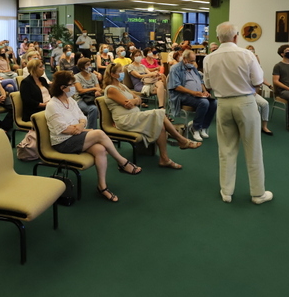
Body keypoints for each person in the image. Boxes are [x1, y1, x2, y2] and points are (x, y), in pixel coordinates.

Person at [203, 22, 272, 205]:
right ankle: (258, 194)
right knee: (253, 148)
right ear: (235, 37)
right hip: (245, 103)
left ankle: (226, 191)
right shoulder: (247, 54)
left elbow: (208, 85)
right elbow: (258, 81)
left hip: (223, 104)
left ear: (218, 38)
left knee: (226, 149)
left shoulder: (209, 58)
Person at [46, 71, 141, 203]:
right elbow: (65, 130)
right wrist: (81, 127)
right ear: (62, 88)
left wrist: (80, 126)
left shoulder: (70, 100)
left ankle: (102, 187)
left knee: (100, 149)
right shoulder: (52, 105)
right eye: (71, 85)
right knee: (99, 133)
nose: (74, 87)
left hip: (76, 136)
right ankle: (122, 162)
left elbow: (83, 118)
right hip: (63, 143)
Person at [103, 63, 199, 170]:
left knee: (160, 124)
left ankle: (165, 158)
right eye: (120, 71)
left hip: (134, 116)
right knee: (159, 113)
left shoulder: (123, 86)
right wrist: (134, 101)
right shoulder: (111, 89)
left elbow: (138, 99)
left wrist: (134, 101)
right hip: (125, 120)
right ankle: (181, 141)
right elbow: (128, 105)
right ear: (113, 74)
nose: (122, 73)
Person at [168, 50, 217, 141]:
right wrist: (193, 93)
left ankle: (203, 127)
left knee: (214, 103)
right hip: (182, 96)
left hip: (197, 95)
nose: (193, 63)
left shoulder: (193, 68)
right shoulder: (175, 69)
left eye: (194, 60)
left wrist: (205, 91)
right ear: (185, 59)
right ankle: (195, 128)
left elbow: (201, 82)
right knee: (204, 102)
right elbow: (176, 87)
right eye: (192, 61)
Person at [245, 46, 273, 135]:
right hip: (245, 94)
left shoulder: (257, 68)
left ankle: (264, 127)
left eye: (253, 51)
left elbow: (261, 78)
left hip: (254, 93)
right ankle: (253, 127)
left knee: (265, 104)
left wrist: (269, 85)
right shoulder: (243, 66)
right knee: (256, 107)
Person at [73, 57, 101, 128]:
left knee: (105, 105)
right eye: (87, 65)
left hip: (92, 98)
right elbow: (80, 90)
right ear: (82, 67)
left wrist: (97, 91)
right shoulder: (77, 77)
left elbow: (98, 88)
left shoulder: (93, 76)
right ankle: (91, 129)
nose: (90, 66)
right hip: (80, 99)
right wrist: (94, 88)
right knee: (93, 109)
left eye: (90, 64)